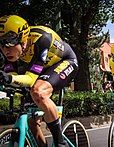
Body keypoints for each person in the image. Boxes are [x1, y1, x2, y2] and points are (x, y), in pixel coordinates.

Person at [0, 15, 78, 147]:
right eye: (1, 44)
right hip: (41, 69)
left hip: (64, 61)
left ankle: (60, 142)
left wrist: (9, 78)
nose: (5, 50)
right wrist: (8, 79)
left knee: (38, 91)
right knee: (31, 121)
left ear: (23, 40)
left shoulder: (41, 39)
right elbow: (11, 76)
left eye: (9, 44)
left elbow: (29, 79)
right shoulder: (7, 51)